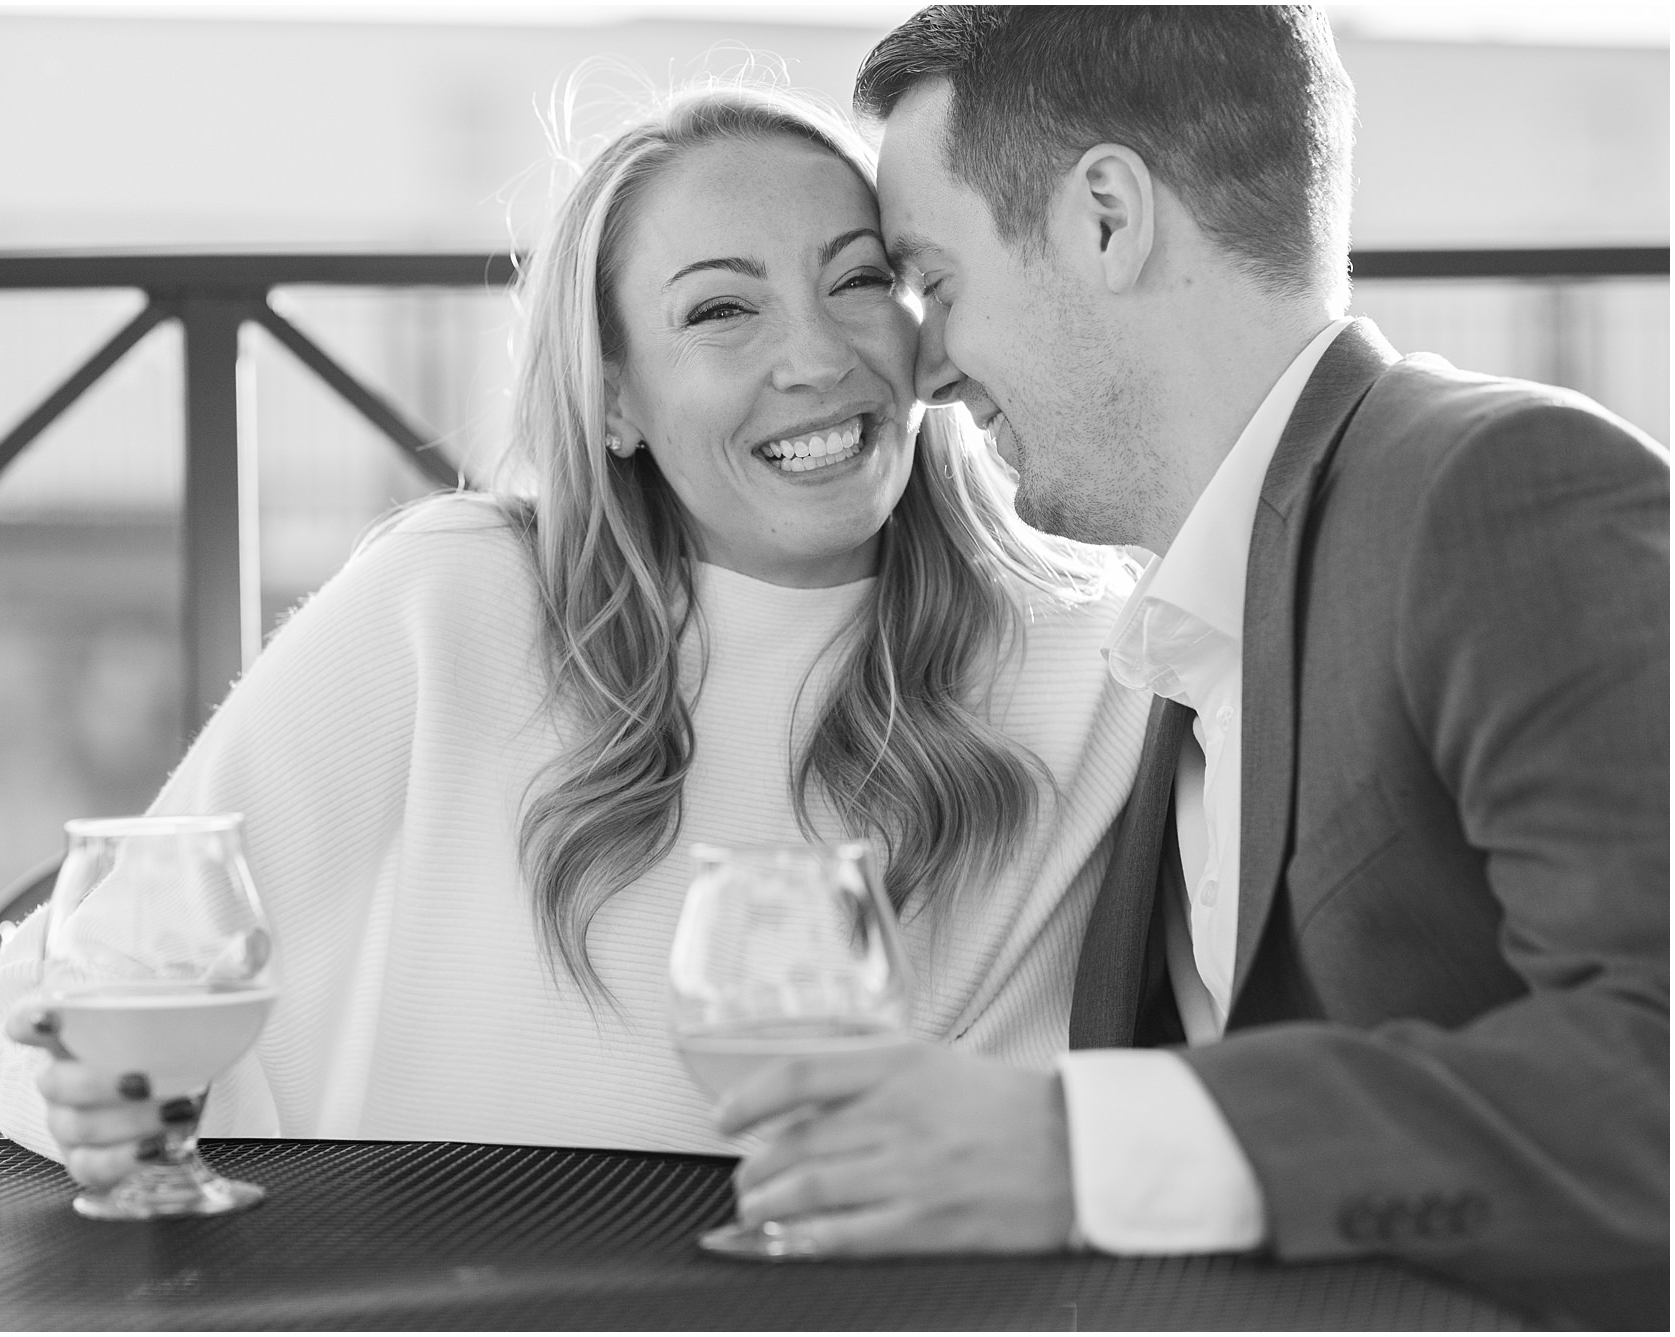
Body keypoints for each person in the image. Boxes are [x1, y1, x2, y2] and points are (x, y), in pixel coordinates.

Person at [0, 81, 1149, 1189]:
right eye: (722, 309)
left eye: (856, 280)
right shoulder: (452, 603)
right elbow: (58, 976)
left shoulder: (1096, 662)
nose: (819, 357)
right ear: (616, 396)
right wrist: (78, 1093)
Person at [714, 8, 1668, 1328]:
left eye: (936, 280)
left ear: (1107, 216)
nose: (920, 369)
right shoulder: (1186, 619)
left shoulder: (1495, 493)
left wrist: (1078, 1147)